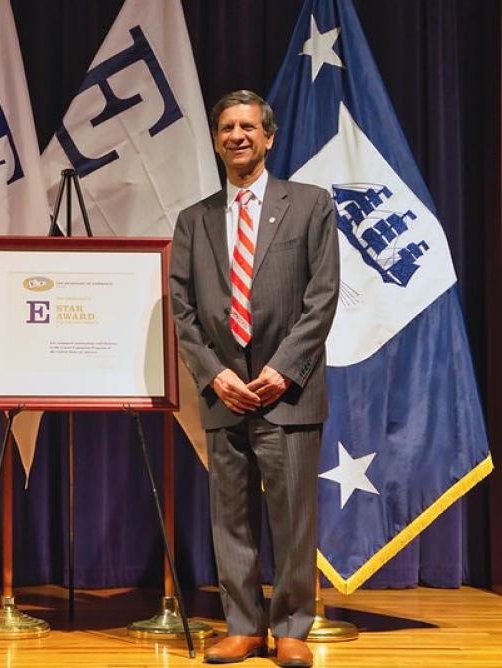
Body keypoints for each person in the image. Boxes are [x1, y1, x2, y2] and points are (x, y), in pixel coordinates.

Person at [169, 91, 340, 668]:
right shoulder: (193, 221)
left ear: (268, 137)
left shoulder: (311, 205)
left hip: (286, 392)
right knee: (231, 519)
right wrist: (215, 375)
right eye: (226, 128)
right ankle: (242, 626)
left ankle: (292, 627)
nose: (237, 135)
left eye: (248, 126)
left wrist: (279, 370)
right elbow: (182, 311)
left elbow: (321, 300)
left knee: (293, 519)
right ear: (216, 140)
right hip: (224, 396)